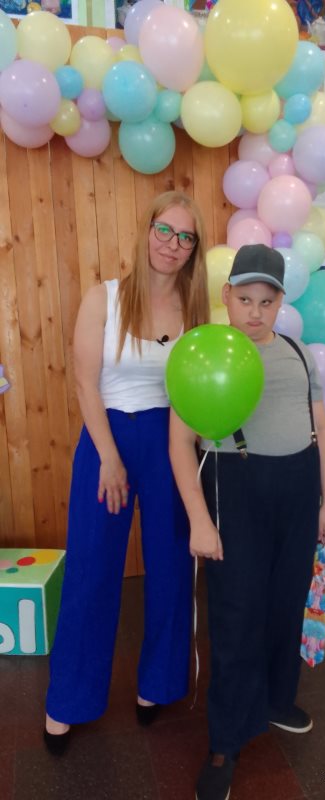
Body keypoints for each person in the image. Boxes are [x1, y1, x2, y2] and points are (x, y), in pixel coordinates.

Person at [44, 190, 210, 754]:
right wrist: (110, 456)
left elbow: (194, 389)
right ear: (146, 230)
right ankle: (68, 703)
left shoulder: (193, 311)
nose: (172, 244)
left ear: (193, 249)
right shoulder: (104, 298)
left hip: (169, 443)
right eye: (165, 230)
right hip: (106, 440)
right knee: (91, 572)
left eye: (185, 237)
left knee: (171, 567)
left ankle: (156, 686)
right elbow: (85, 383)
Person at [169, 244, 325, 800]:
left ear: (281, 301)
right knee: (237, 616)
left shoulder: (297, 352)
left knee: (286, 604)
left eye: (267, 301)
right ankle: (225, 741)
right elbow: (180, 444)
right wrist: (200, 519)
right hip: (234, 489)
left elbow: (321, 429)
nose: (255, 312)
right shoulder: (204, 353)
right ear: (227, 296)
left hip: (297, 489)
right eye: (245, 299)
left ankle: (275, 699)